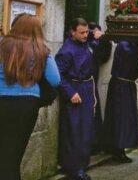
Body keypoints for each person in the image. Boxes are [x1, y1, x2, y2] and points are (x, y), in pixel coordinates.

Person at [0, 14, 61, 180]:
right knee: (14, 156)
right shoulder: (41, 50)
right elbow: (55, 80)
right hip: (26, 105)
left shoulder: (2, 44)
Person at [55, 18, 100, 180]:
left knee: (86, 128)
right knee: (75, 130)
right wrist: (70, 92)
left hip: (87, 89)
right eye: (81, 32)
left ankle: (82, 163)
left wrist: (97, 38)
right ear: (72, 32)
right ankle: (74, 168)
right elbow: (58, 74)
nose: (84, 35)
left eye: (86, 32)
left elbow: (94, 49)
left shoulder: (86, 43)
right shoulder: (66, 51)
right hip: (75, 91)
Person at [103, 40, 138, 163]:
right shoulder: (125, 46)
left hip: (125, 86)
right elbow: (134, 65)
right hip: (121, 87)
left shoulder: (130, 45)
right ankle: (118, 150)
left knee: (124, 118)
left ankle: (119, 149)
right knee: (120, 119)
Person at [85, 22, 111, 153]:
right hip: (81, 84)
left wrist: (102, 38)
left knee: (94, 114)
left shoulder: (97, 45)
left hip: (92, 83)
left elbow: (103, 56)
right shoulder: (84, 45)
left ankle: (95, 144)